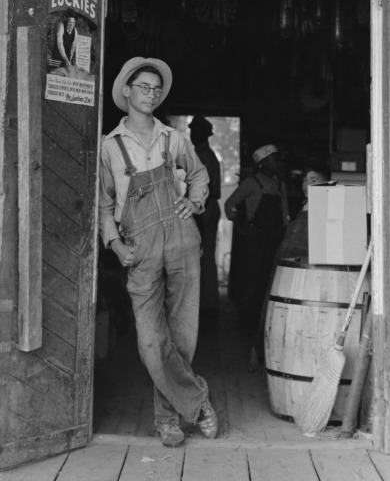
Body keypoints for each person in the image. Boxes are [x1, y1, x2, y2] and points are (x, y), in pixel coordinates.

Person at [99, 57, 218, 447]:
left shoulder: (174, 139)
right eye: (143, 87)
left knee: (181, 338)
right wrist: (115, 244)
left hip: (181, 240)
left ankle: (167, 420)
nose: (150, 94)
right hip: (140, 248)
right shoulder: (111, 147)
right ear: (127, 92)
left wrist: (195, 203)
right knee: (152, 342)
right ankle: (198, 402)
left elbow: (199, 175)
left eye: (156, 88)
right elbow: (104, 203)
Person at [224, 144, 288, 334]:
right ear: (263, 162)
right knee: (251, 282)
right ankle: (246, 324)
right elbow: (229, 205)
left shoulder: (280, 185)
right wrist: (242, 227)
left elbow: (285, 217)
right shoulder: (251, 183)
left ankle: (264, 323)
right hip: (255, 240)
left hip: (273, 240)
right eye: (274, 159)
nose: (277, 163)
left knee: (269, 282)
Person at [189, 116, 222, 317]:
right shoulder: (202, 154)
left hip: (205, 209)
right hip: (205, 208)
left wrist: (198, 215)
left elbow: (205, 188)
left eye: (194, 131)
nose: (192, 135)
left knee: (204, 258)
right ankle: (206, 304)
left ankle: (207, 306)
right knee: (203, 258)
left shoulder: (205, 156)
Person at [277, 164, 330, 261]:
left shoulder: (326, 207)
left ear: (326, 184)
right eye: (305, 180)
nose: (307, 185)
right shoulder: (305, 204)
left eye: (313, 181)